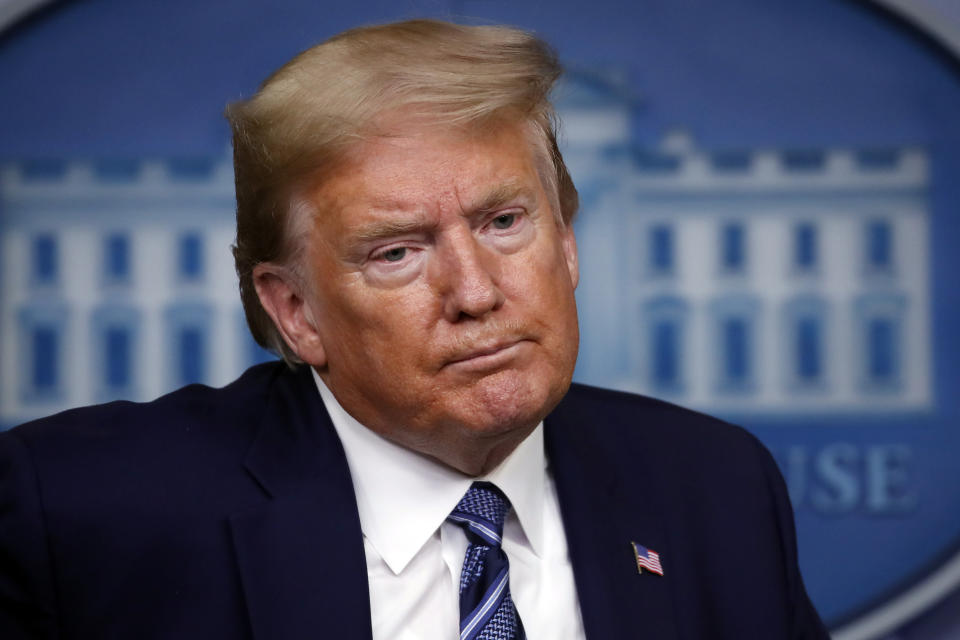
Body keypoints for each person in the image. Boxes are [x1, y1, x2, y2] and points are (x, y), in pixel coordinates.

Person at [0, 19, 828, 640]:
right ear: (294, 311)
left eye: (505, 222)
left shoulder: (716, 487)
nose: (475, 292)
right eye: (397, 252)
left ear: (567, 242)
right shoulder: (81, 513)